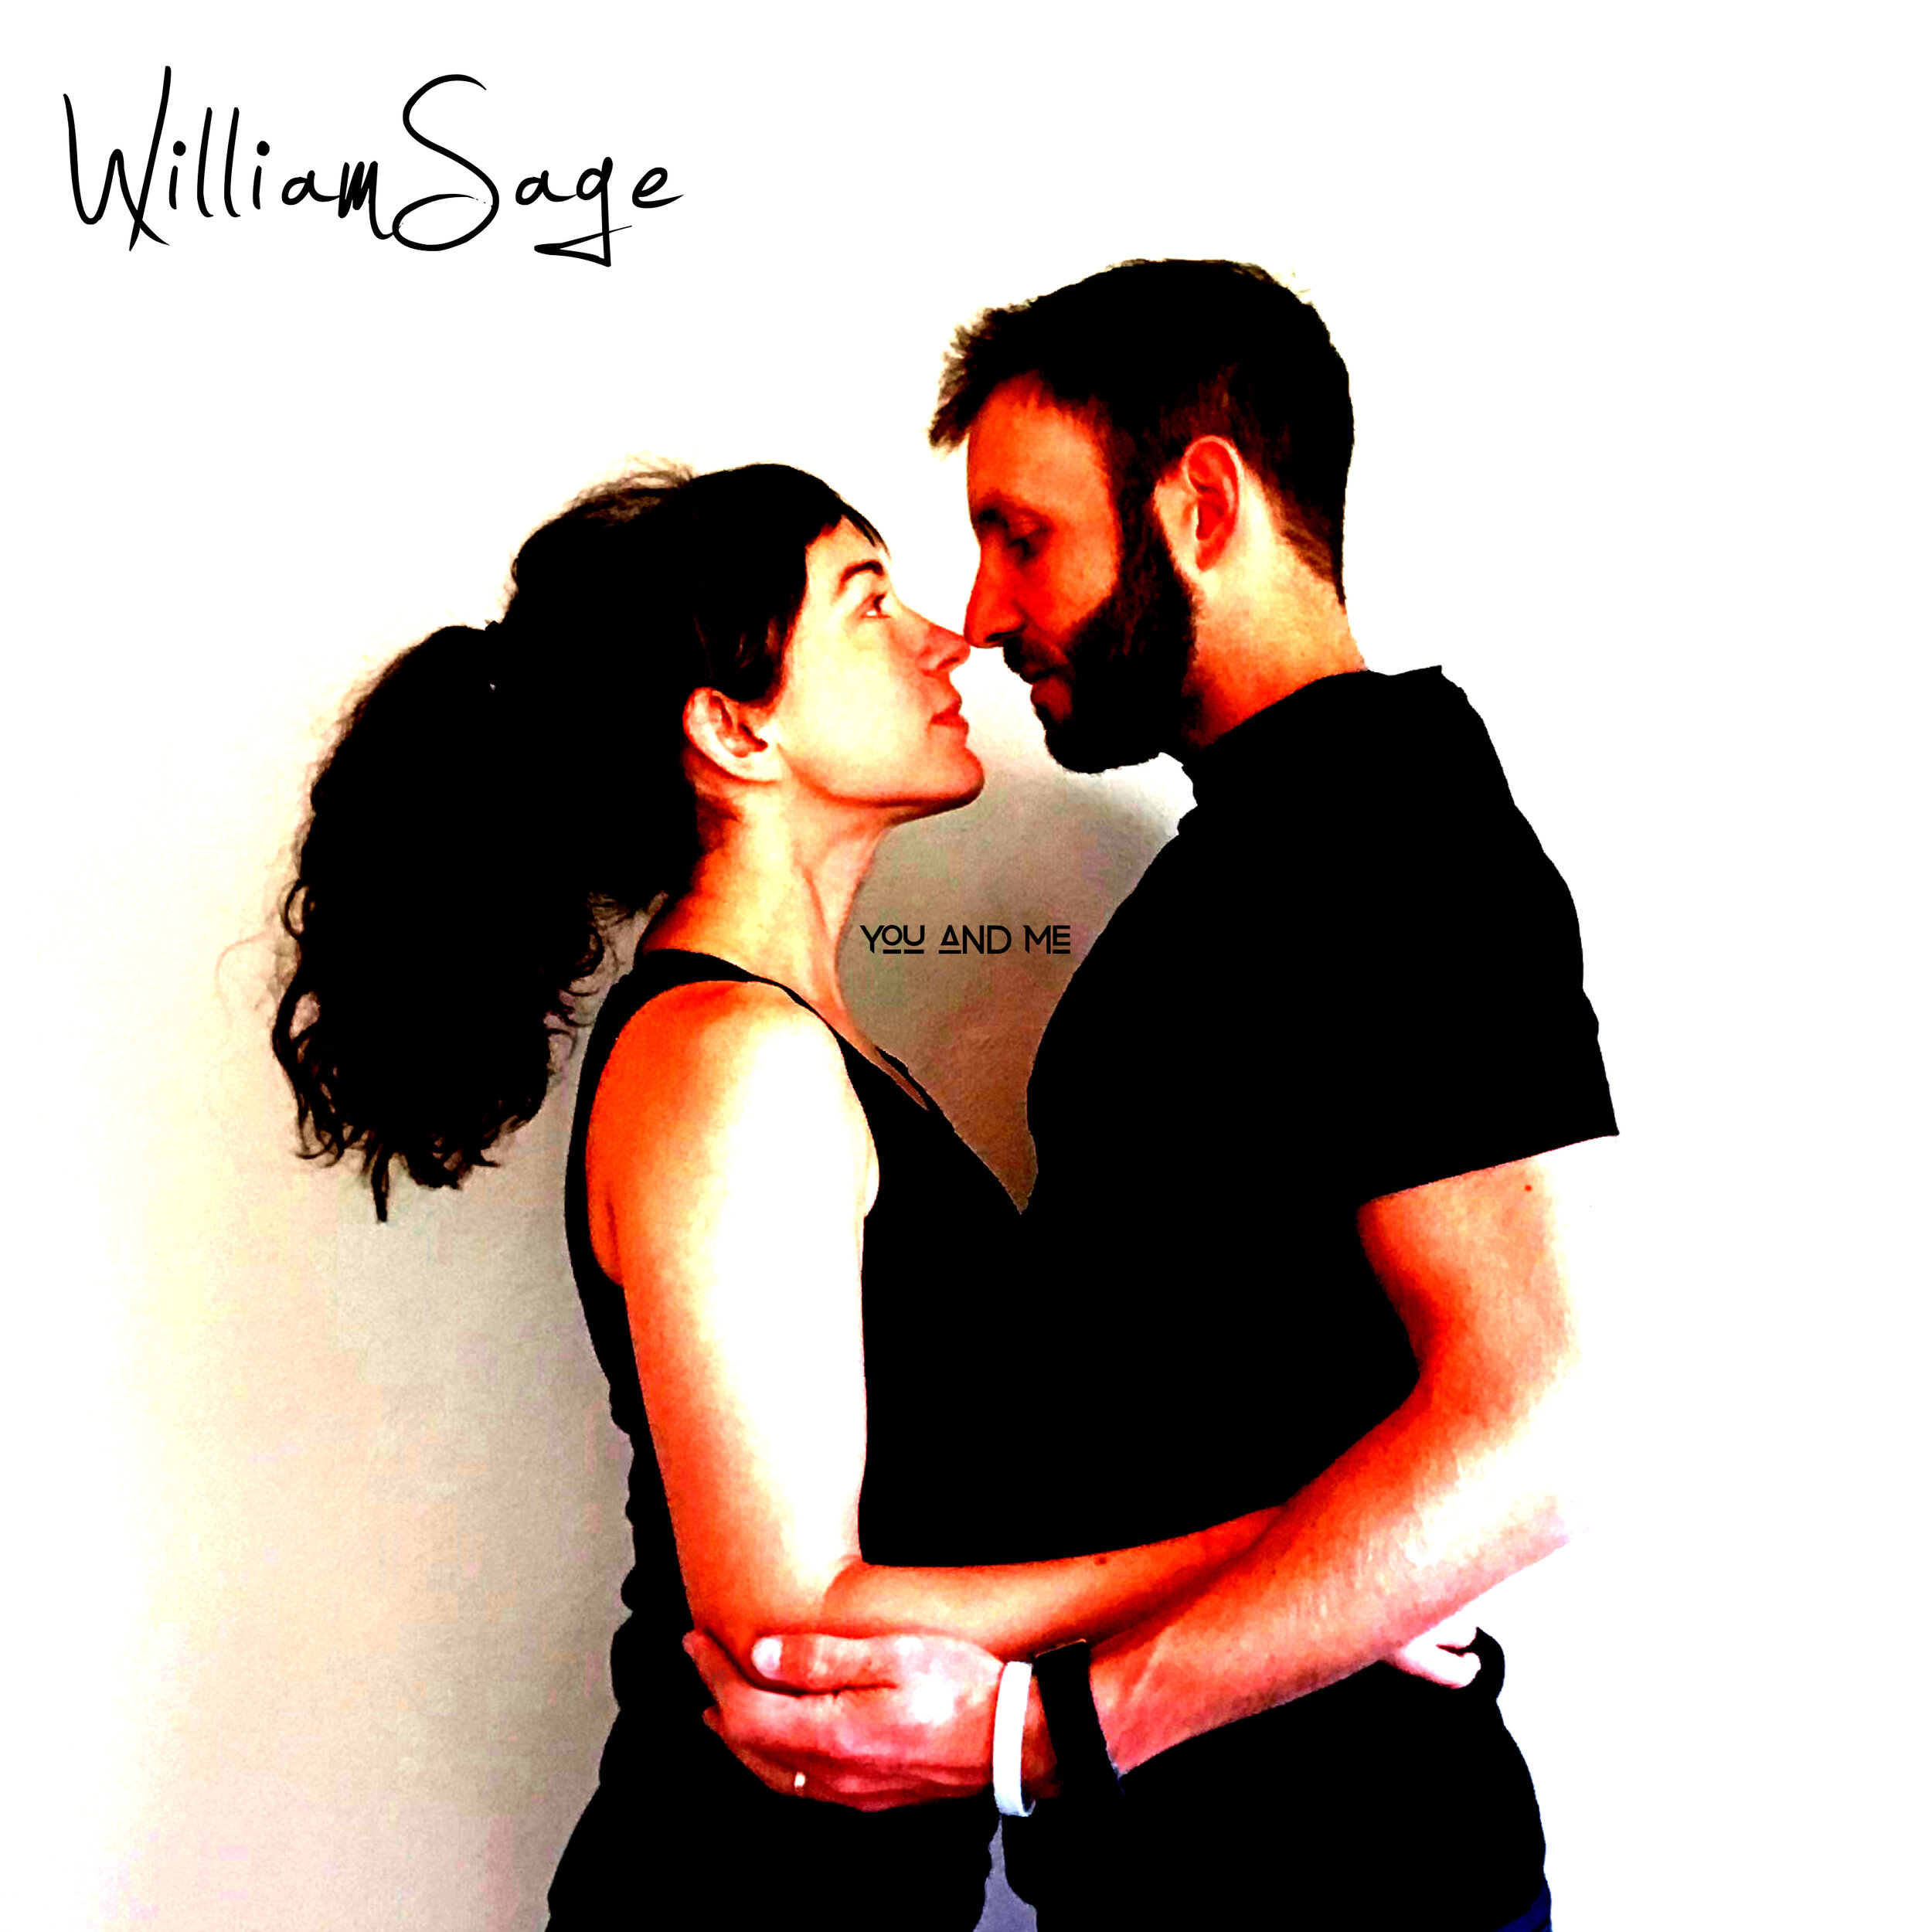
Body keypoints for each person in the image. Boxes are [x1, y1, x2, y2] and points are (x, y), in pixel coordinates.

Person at [268, 460, 1467, 1930]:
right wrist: (1306, 1560)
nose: (948, 638)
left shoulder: (814, 1051)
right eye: (869, 603)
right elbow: (793, 1624)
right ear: (735, 728)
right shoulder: (734, 1062)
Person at [687, 262, 1618, 1931]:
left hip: (1350, 1882)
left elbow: (1546, 1431)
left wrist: (1053, 1734)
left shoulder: (1393, 833)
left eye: (1021, 534)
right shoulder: (1253, 849)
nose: (981, 611)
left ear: (1200, 503)